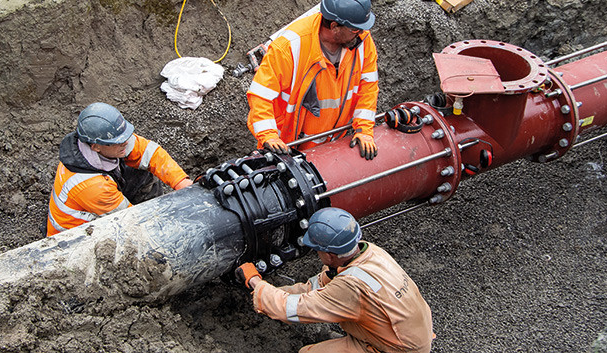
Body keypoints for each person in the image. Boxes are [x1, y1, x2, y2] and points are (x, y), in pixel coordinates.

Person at [235, 207, 433, 352]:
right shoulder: (369, 252)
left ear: (329, 255)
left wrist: (255, 282)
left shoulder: (351, 287)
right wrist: (273, 292)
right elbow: (317, 286)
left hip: (401, 349)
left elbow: (292, 310)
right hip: (412, 331)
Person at [246, 0, 380, 160]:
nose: (362, 32)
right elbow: (260, 95)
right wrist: (268, 135)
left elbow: (368, 88)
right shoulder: (289, 47)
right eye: (355, 28)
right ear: (334, 26)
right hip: (287, 150)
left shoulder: (361, 41)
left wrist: (364, 129)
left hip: (332, 144)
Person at [46, 102, 193, 236]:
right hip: (76, 236)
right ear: (95, 146)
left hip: (101, 201)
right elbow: (130, 219)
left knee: (142, 168)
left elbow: (150, 153)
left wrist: (182, 183)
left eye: (124, 136)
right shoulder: (92, 186)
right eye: (117, 141)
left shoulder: (106, 143)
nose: (125, 142)